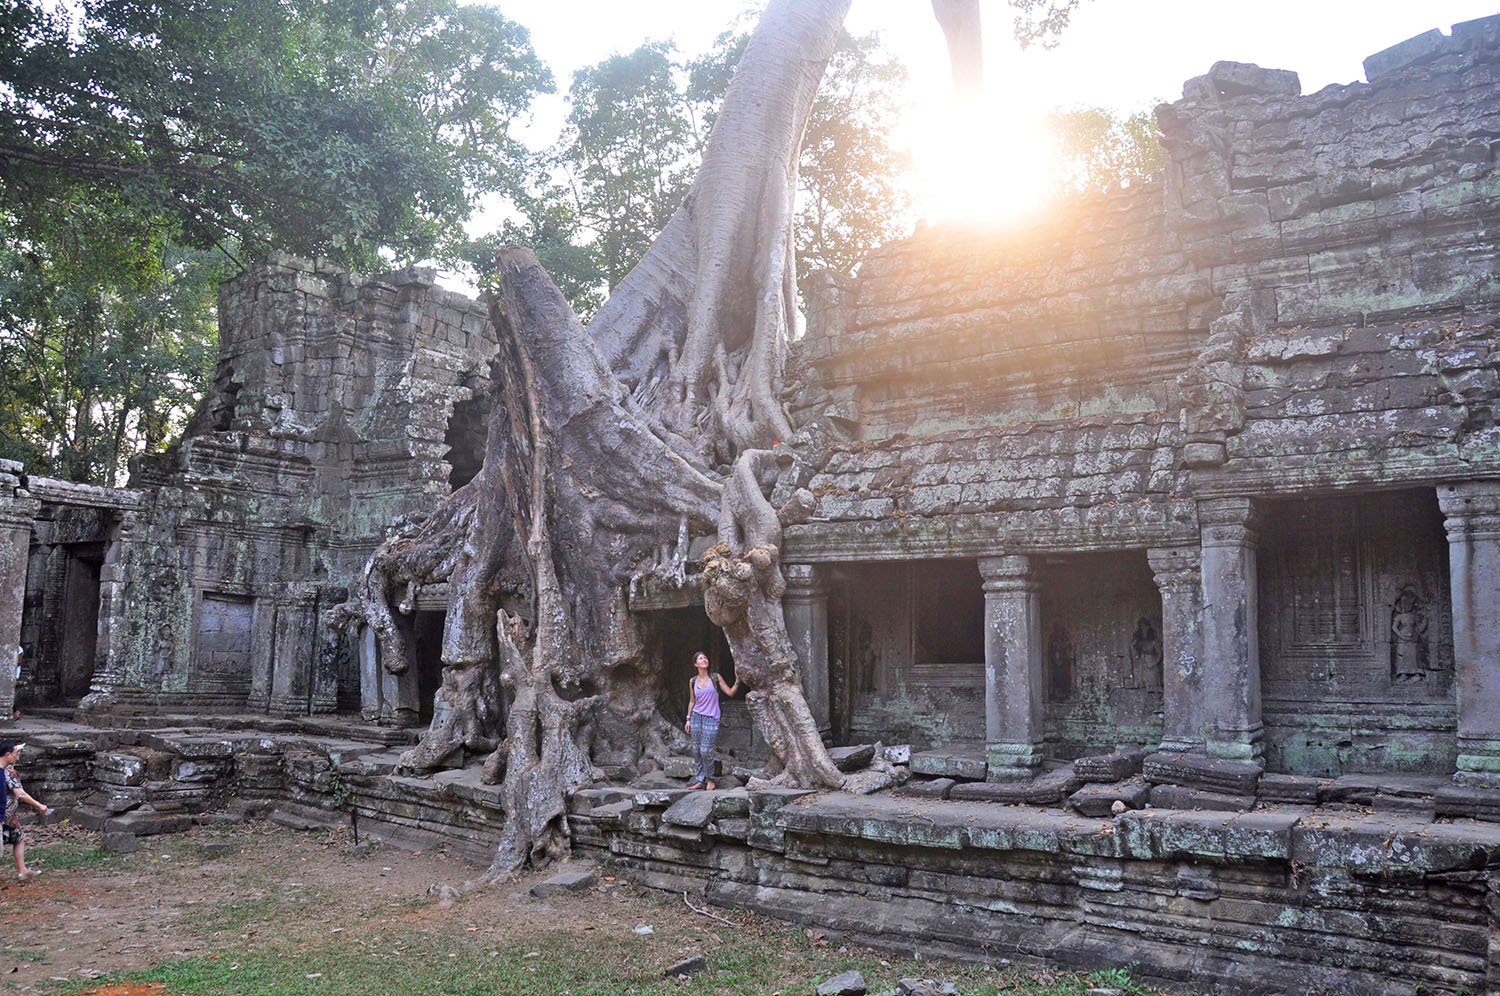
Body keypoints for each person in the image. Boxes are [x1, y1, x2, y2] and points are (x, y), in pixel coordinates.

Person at [683, 652, 739, 791]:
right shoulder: (693, 681)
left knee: (705, 750)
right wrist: (688, 719)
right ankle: (700, 780)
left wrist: (737, 681)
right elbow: (692, 701)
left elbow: (730, 692)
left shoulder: (715, 677)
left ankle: (710, 779)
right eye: (701, 658)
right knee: (696, 750)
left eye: (706, 657)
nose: (705, 660)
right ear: (696, 664)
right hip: (696, 717)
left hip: (712, 718)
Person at [0, 742, 53, 881]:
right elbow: (21, 794)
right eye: (16, 753)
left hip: (5, 816)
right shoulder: (8, 772)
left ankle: (23, 870)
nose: (18, 757)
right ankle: (22, 870)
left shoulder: (5, 770)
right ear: (7, 755)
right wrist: (39, 805)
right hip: (5, 815)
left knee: (18, 837)